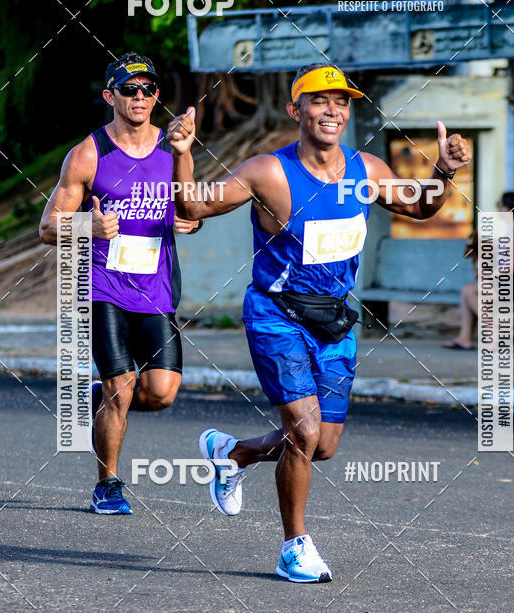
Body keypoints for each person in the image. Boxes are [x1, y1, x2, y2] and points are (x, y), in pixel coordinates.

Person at [168, 62, 471, 582]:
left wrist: (442, 173)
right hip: (276, 315)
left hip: (333, 320)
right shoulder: (268, 171)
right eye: (320, 100)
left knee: (322, 445)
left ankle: (233, 452)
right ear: (296, 110)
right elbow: (194, 204)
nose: (333, 110)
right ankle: (295, 548)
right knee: (303, 430)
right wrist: (182, 154)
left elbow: (421, 209)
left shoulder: (367, 169)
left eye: (341, 102)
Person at [39, 52, 202, 514]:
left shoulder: (172, 148)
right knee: (122, 386)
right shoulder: (89, 153)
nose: (139, 97)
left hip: (156, 290)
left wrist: (190, 220)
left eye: (147, 89)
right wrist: (87, 226)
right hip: (100, 287)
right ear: (110, 96)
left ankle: (92, 400)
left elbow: (190, 208)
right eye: (129, 90)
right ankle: (107, 485)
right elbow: (47, 227)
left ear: (157, 97)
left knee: (162, 391)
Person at [443, 191, 514, 350]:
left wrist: (489, 274)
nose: (498, 211)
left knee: (471, 291)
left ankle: (496, 334)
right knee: (468, 290)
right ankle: (464, 338)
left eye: (500, 206)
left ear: (508, 208)